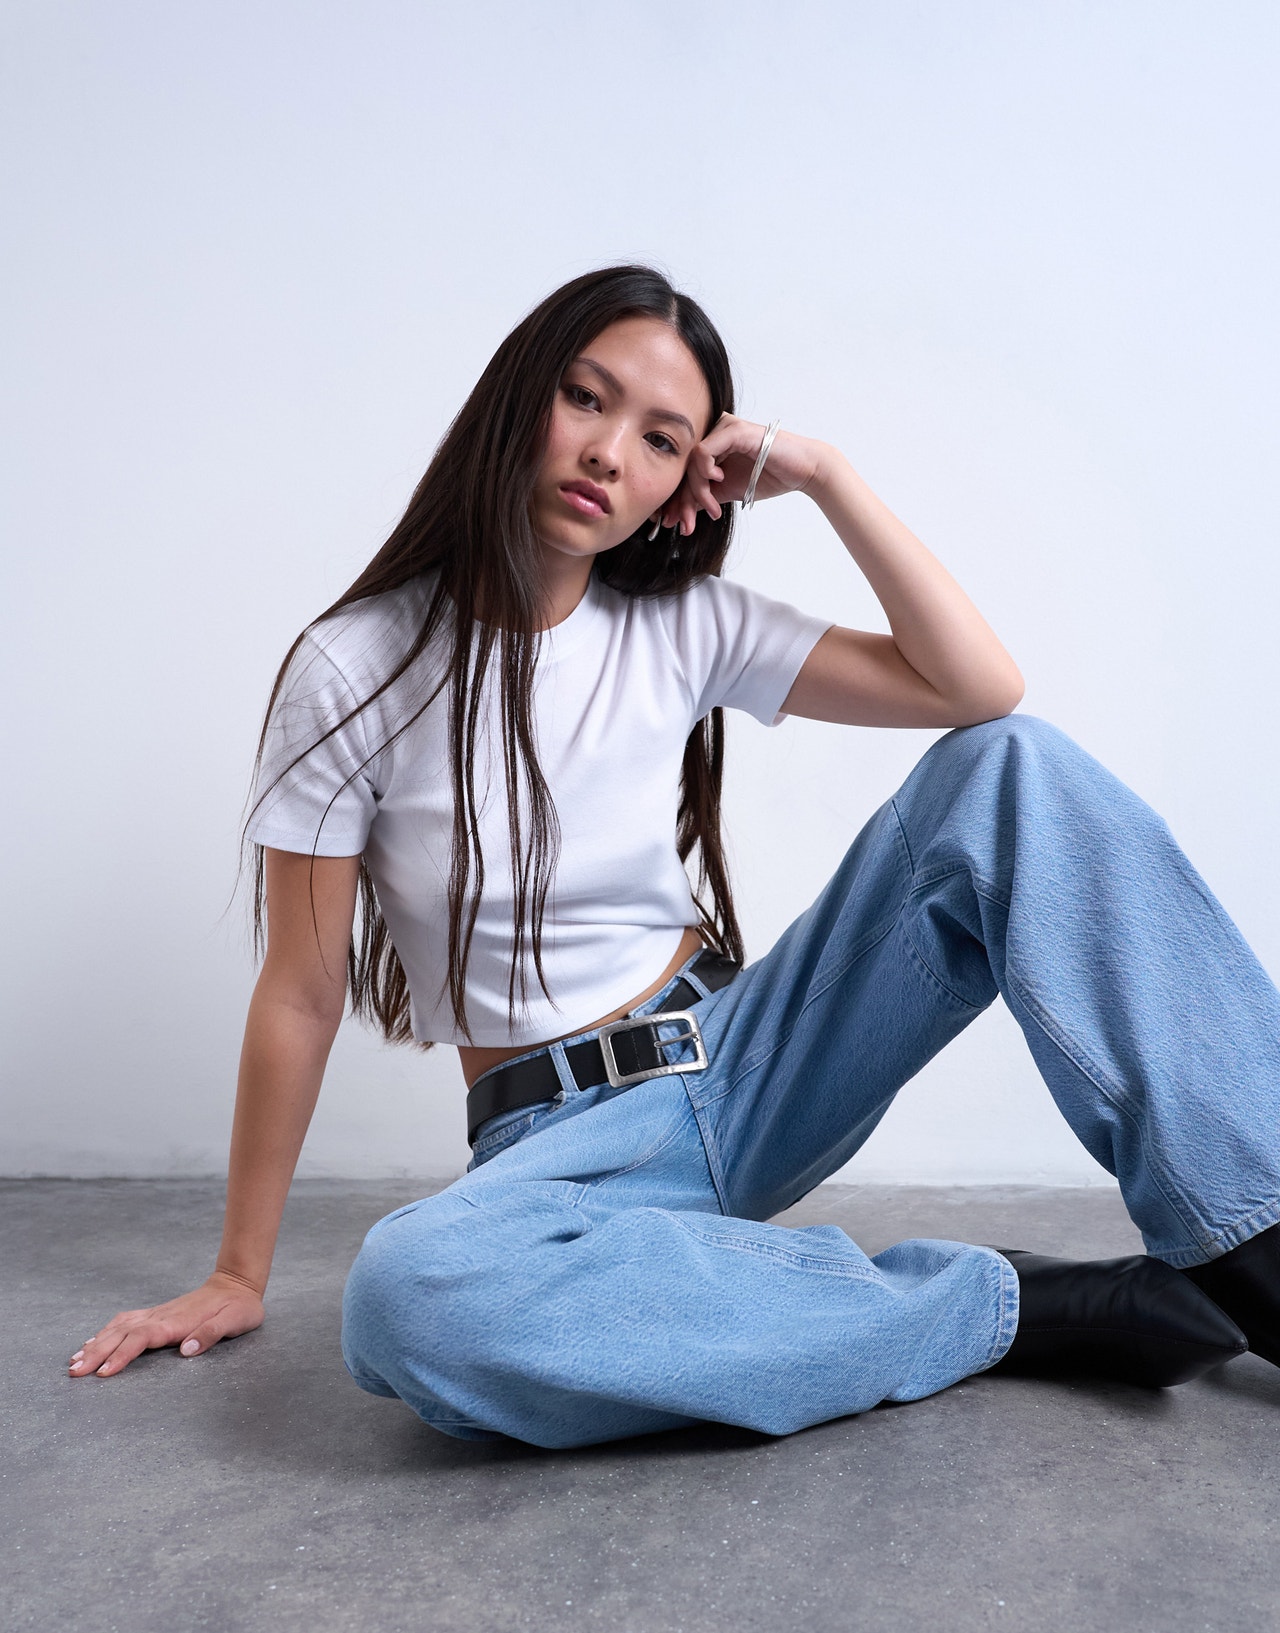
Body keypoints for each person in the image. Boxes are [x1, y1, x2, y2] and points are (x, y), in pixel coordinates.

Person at [70, 266, 1280, 1449]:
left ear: (681, 484)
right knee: (408, 1295)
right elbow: (300, 991)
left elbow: (975, 688)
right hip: (567, 1150)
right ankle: (1011, 1309)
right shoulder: (351, 669)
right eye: (585, 399)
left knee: (1011, 767)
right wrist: (238, 1271)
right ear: (520, 396)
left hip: (751, 1054)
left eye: (660, 439)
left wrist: (822, 474)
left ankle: (1257, 1234)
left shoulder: (681, 625)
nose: (608, 454)